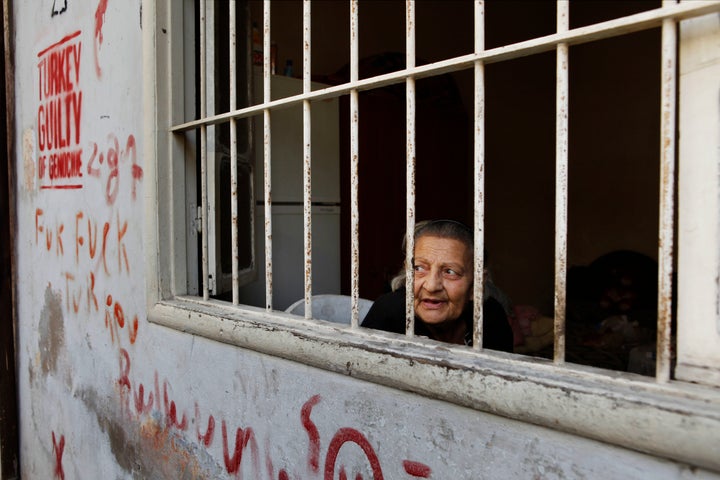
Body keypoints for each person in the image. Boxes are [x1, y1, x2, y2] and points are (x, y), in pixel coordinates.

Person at [361, 219, 514, 352]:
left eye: (450, 272)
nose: (432, 286)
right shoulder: (389, 313)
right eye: (419, 268)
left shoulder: (490, 316)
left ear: (477, 283)